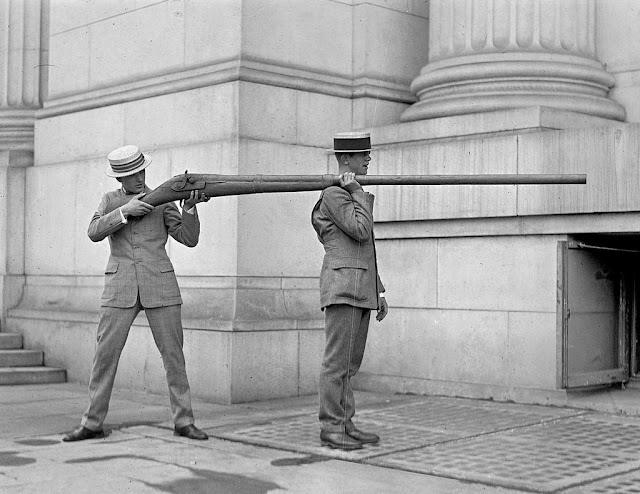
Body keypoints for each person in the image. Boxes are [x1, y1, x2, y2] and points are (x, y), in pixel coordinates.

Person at [63, 145, 210, 442]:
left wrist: (190, 208)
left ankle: (184, 421)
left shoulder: (163, 198)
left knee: (174, 358)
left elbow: (188, 239)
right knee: (104, 357)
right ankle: (92, 423)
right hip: (120, 288)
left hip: (161, 286)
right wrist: (123, 212)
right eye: (132, 174)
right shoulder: (110, 200)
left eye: (141, 171)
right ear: (121, 179)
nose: (139, 178)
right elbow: (93, 231)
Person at [311, 131, 389, 451]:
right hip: (343, 286)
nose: (368, 159)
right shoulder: (335, 195)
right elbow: (360, 230)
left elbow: (365, 248)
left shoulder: (348, 193)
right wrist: (358, 192)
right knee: (336, 363)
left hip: (358, 286)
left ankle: (345, 423)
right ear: (346, 160)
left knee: (349, 364)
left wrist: (379, 291)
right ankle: (331, 427)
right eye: (362, 155)